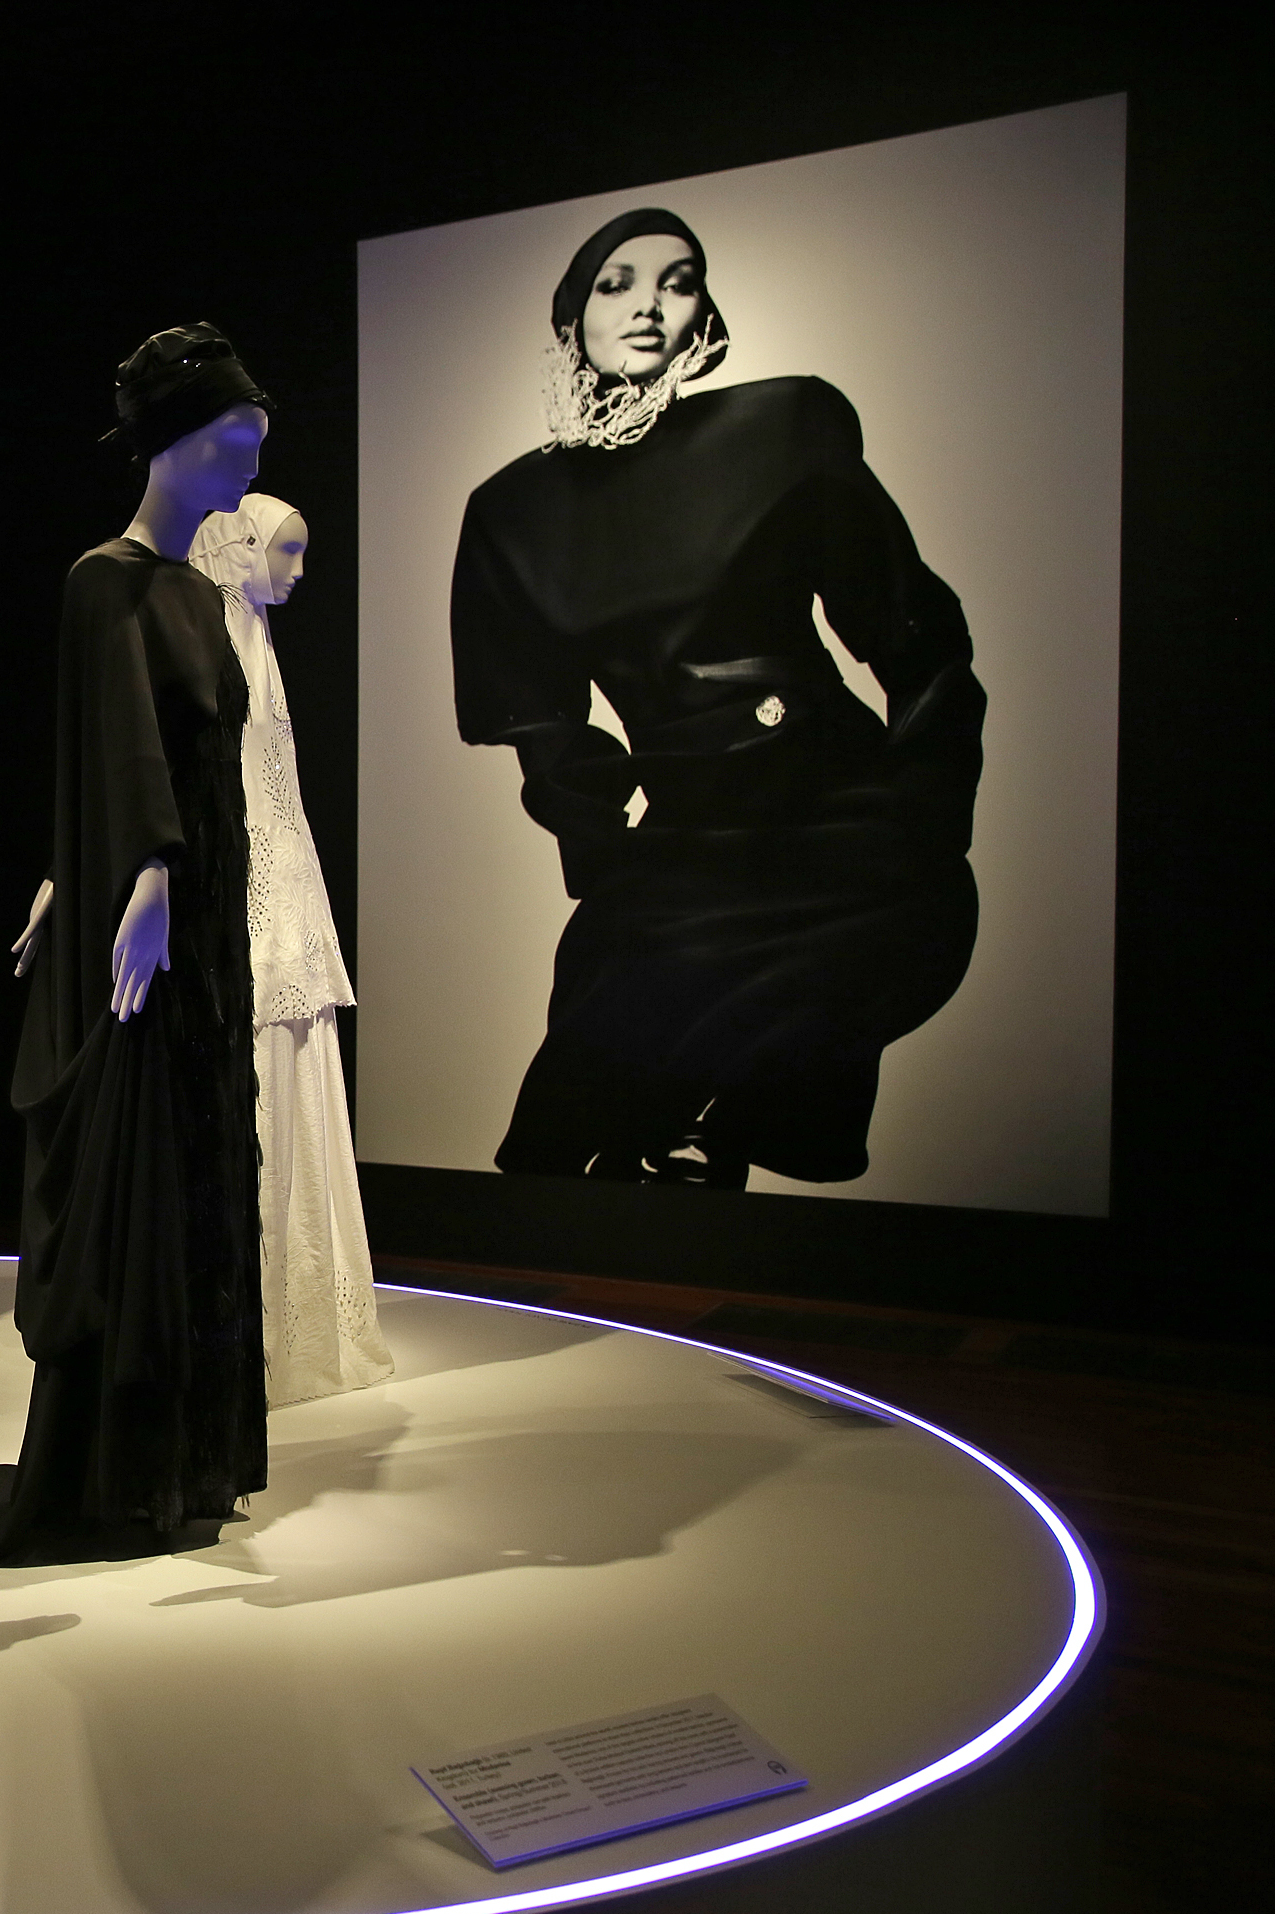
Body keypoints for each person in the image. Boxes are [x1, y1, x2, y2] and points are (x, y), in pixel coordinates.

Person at [451, 209, 983, 1189]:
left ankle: (712, 1150)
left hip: (835, 813)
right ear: (571, 314)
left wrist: (923, 811)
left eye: (678, 279)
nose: (648, 304)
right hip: (686, 836)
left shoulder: (782, 426)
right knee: (571, 1120)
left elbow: (917, 636)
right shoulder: (514, 511)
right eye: (617, 281)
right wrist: (607, 850)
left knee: (727, 1072)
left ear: (701, 314)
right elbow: (537, 718)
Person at [0, 323, 269, 1566]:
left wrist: (96, 866)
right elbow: (118, 743)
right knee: (144, 1147)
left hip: (203, 912)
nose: (254, 448)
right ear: (190, 437)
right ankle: (125, 1462)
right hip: (162, 901)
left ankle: (192, 1453)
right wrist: (126, 871)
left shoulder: (197, 589)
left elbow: (172, 749)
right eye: (242, 429)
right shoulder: (107, 578)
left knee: (203, 1151)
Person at [187, 494, 391, 1403]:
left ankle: (297, 1326)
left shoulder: (256, 647)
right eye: (289, 552)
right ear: (241, 550)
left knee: (293, 1094)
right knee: (254, 1102)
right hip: (244, 911)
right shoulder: (213, 646)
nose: (301, 572)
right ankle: (242, 1332)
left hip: (283, 910)